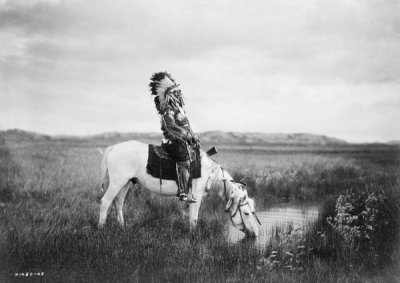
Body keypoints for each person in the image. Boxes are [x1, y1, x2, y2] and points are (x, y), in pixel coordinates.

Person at [149, 72, 200, 203]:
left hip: (182, 140)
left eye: (179, 91)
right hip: (172, 142)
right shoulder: (168, 109)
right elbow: (171, 126)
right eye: (176, 92)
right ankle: (184, 192)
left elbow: (186, 125)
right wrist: (187, 135)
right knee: (184, 159)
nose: (179, 93)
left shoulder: (179, 108)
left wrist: (193, 136)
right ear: (170, 95)